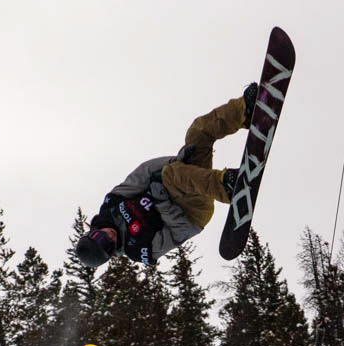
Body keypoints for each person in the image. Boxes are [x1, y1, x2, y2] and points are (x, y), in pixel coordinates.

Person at [75, 83, 259, 269]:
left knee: (198, 133)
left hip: (186, 179)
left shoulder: (111, 205)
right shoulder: (139, 249)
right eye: (108, 246)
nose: (109, 237)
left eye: (101, 237)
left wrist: (175, 161)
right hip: (192, 213)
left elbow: (143, 172)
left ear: (92, 232)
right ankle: (227, 188)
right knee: (171, 175)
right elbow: (182, 231)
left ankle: (245, 110)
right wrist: (162, 201)